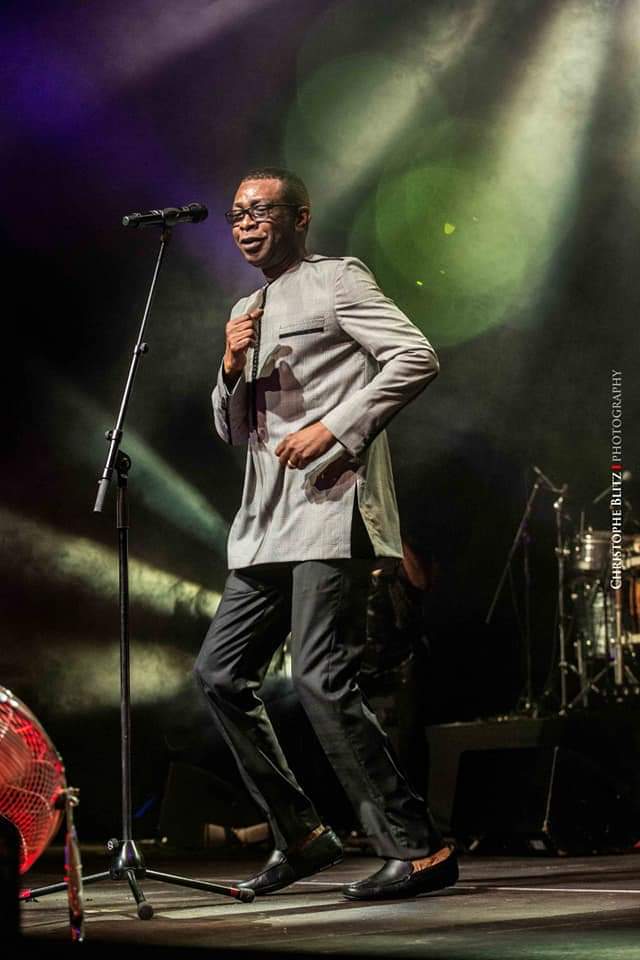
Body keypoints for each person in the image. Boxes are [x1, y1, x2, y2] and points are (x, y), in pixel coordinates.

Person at [194, 167, 457, 900]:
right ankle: (303, 834)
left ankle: (418, 845)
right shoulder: (246, 307)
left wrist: (334, 430)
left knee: (318, 674)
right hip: (263, 525)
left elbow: (416, 356)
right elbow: (231, 429)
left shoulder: (337, 281)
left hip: (326, 508)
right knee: (219, 674)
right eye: (236, 213)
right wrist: (228, 365)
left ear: (300, 216)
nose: (245, 223)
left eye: (260, 210)